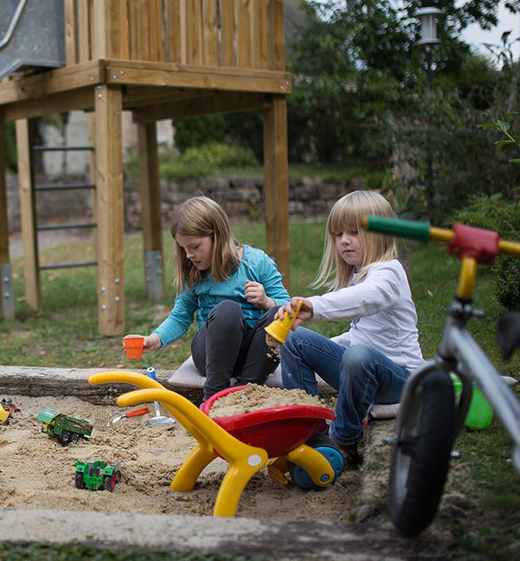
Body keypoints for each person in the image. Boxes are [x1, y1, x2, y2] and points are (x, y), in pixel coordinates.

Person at [274, 190, 424, 465]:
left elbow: (365, 299)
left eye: (354, 232)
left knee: (358, 356)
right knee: (296, 339)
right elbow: (360, 334)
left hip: (400, 379)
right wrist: (325, 349)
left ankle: (343, 439)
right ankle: (307, 431)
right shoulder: (360, 274)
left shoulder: (389, 272)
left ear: (380, 234)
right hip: (363, 372)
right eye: (338, 233)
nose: (344, 240)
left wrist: (314, 306)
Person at [133, 195, 290, 403]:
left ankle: (245, 393)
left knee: (277, 315)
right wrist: (155, 339)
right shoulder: (193, 271)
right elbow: (180, 317)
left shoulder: (257, 262)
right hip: (211, 355)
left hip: (253, 356)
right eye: (183, 248)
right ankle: (213, 397)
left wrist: (266, 302)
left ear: (218, 236)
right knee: (227, 311)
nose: (188, 255)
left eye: (195, 247)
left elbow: (288, 310)